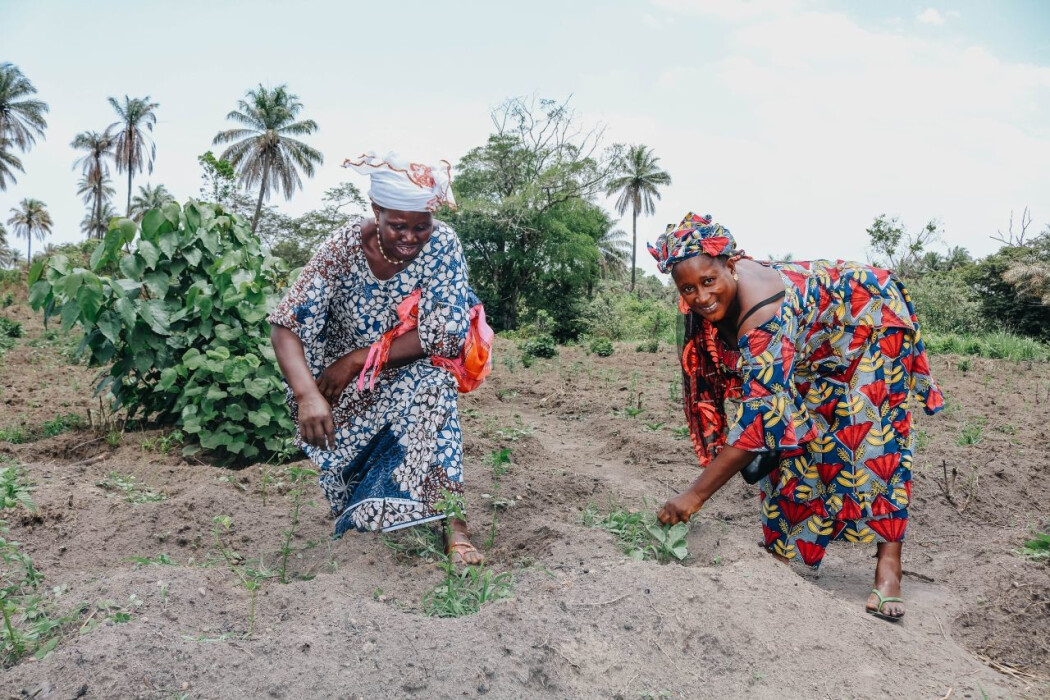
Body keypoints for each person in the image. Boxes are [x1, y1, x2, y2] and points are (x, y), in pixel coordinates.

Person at [652, 212, 944, 622]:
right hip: (814, 343)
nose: (701, 297)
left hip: (867, 320)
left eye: (708, 281)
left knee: (873, 436)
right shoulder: (724, 303)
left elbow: (758, 422)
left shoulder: (763, 311)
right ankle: (782, 552)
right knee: (796, 438)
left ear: (731, 266)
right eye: (688, 289)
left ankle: (889, 569)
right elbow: (773, 419)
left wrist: (693, 496)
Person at [268, 151, 487, 565]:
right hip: (337, 389)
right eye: (398, 226)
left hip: (404, 370)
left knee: (435, 388)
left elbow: (446, 332)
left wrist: (357, 358)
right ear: (376, 211)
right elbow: (285, 324)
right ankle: (367, 514)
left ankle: (454, 525)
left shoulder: (442, 246)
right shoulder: (342, 247)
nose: (410, 238)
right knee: (358, 511)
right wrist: (307, 396)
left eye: (421, 226)